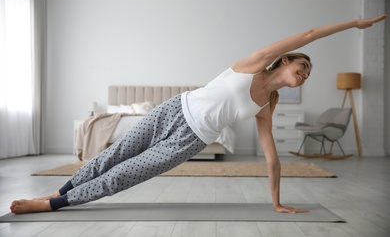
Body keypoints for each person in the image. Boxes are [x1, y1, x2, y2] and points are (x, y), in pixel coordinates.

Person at [10, 14, 387, 215]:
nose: (304, 74)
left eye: (308, 74)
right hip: (174, 108)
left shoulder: (266, 106)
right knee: (112, 155)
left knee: (125, 174)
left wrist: (275, 201)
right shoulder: (254, 63)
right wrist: (355, 24)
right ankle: (58, 191)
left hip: (190, 139)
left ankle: (51, 205)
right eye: (301, 66)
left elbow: (272, 158)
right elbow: (309, 33)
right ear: (285, 60)